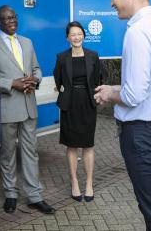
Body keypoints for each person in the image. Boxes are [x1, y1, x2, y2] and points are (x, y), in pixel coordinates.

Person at [94, 0, 151, 231]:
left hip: (142, 135)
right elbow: (149, 85)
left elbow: (134, 95)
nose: (111, 2)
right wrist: (117, 86)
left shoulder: (138, 32)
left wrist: (110, 94)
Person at [0, 6, 55, 214]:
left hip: (28, 107)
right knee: (7, 154)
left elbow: (37, 68)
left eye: (14, 17)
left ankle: (35, 196)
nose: (11, 21)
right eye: (6, 18)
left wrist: (36, 79)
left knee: (31, 152)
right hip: (7, 108)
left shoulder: (27, 42)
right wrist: (10, 83)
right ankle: (11, 194)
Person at [53, 21, 101, 202]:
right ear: (67, 38)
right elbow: (58, 80)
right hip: (69, 105)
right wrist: (65, 93)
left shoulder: (93, 56)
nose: (76, 37)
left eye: (79, 34)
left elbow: (98, 79)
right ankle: (74, 182)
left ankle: (89, 183)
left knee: (88, 145)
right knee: (72, 145)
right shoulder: (62, 57)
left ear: (84, 35)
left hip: (88, 103)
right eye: (72, 34)